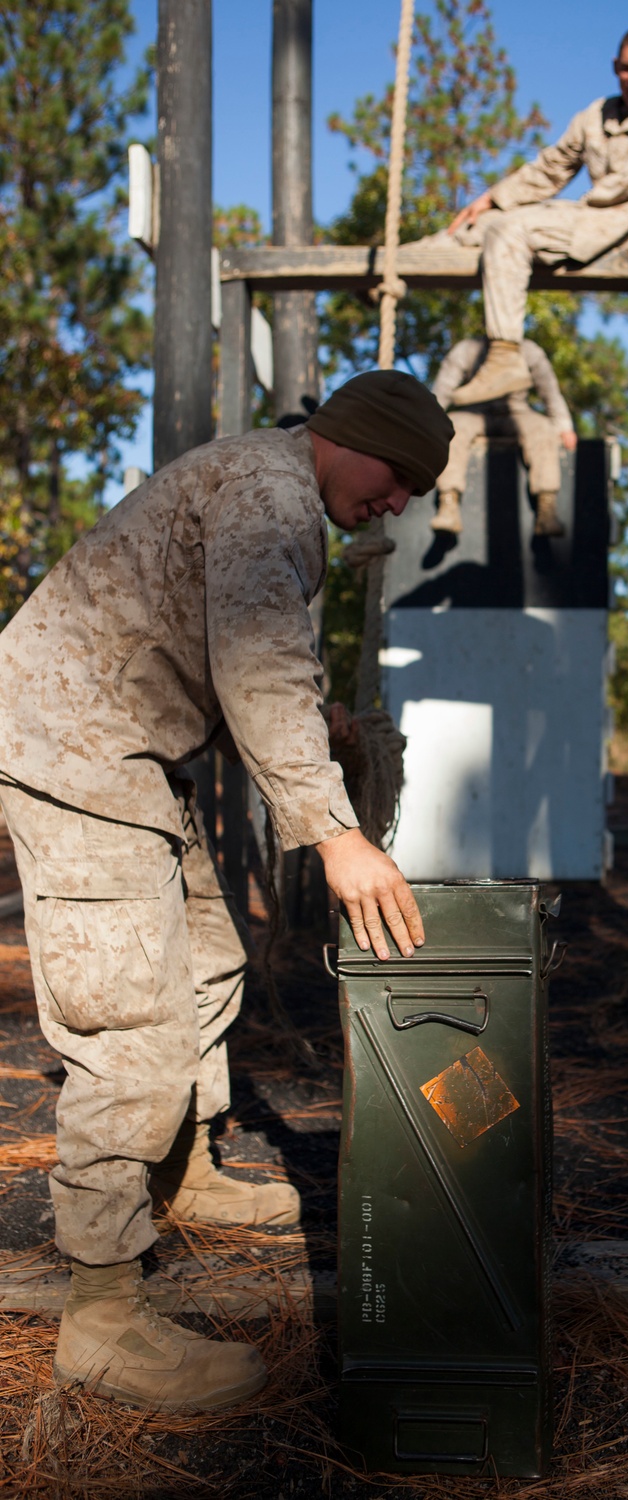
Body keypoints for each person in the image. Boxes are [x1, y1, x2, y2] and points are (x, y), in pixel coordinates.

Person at [0, 371, 452, 1413]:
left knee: (207, 953)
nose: (399, 502)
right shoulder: (272, 497)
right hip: (77, 753)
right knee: (132, 1026)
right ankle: (103, 1315)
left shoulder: (269, 480)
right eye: (399, 478)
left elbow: (245, 649)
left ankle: (179, 1170)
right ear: (352, 438)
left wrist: (319, 719)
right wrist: (336, 833)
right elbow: (256, 671)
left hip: (124, 755)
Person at [422, 24, 628, 408]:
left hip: (620, 228)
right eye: (627, 68)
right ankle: (394, 266)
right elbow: (552, 168)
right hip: (583, 217)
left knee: (510, 231)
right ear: (615, 66)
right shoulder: (595, 116)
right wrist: (493, 197)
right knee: (479, 225)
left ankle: (505, 356)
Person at [431, 336, 576, 537]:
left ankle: (547, 509)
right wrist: (427, 424)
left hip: (517, 412)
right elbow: (443, 390)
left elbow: (549, 390)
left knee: (543, 429)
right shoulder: (467, 349)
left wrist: (564, 426)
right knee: (452, 427)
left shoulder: (529, 350)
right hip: (475, 412)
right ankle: (448, 505)